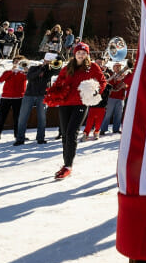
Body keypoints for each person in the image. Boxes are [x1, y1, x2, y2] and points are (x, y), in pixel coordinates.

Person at [43, 43, 106, 179]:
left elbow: (102, 82)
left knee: (72, 133)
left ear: (87, 55)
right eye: (79, 52)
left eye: (84, 53)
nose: (81, 55)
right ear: (75, 53)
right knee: (65, 134)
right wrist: (54, 93)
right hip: (65, 103)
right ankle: (66, 163)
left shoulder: (92, 67)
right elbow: (59, 82)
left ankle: (68, 166)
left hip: (81, 103)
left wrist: (94, 92)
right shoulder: (67, 68)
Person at [15, 53, 60, 145]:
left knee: (42, 118)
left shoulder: (50, 71)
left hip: (42, 96)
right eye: (48, 61)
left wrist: (58, 61)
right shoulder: (33, 68)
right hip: (29, 95)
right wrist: (41, 69)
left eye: (51, 61)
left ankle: (40, 138)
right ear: (44, 60)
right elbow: (30, 77)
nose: (49, 63)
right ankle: (20, 139)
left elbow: (59, 71)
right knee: (23, 117)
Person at [0, 59, 27, 144]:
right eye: (16, 62)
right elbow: (0, 80)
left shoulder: (23, 74)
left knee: (18, 119)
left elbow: (30, 78)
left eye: (19, 62)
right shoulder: (7, 72)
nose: (17, 64)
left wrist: (26, 71)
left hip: (18, 98)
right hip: (5, 98)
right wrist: (11, 71)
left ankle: (18, 136)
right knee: (1, 118)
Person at [100, 61, 132, 136]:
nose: (118, 68)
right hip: (112, 97)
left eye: (119, 67)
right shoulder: (111, 75)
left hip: (121, 98)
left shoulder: (124, 76)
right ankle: (103, 129)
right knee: (108, 114)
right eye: (116, 66)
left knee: (118, 114)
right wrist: (115, 81)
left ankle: (116, 129)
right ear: (113, 68)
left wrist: (124, 85)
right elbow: (108, 85)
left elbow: (127, 86)